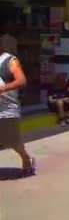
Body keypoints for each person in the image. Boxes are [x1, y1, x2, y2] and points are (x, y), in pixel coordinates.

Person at [0, 43, 36, 176]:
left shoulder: (10, 61)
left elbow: (21, 80)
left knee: (12, 141)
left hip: (6, 109)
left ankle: (26, 159)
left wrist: (4, 88)